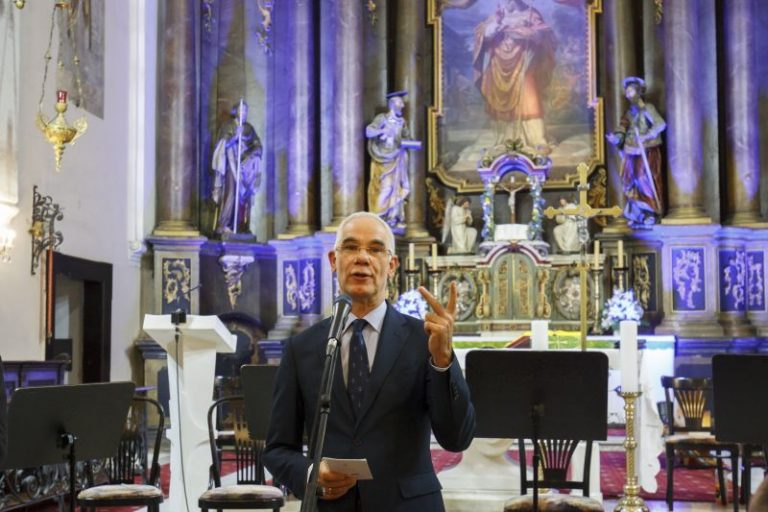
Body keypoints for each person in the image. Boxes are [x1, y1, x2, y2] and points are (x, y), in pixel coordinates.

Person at [264, 211, 476, 512]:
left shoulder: (424, 340)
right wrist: (311, 474)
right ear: (333, 260)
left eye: (375, 249)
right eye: (351, 247)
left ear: (392, 265)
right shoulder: (303, 348)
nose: (362, 258)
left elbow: (457, 438)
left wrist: (443, 361)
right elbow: (278, 449)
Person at [473, 0, 557, 149]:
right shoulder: (497, 15)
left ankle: (536, 138)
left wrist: (531, 34)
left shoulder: (530, 13)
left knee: (529, 98)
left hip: (524, 63)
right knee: (500, 100)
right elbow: (484, 34)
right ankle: (505, 138)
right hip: (498, 64)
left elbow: (545, 34)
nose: (507, 2)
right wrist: (496, 24)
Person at [606, 76, 666, 228]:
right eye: (626, 92)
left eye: (631, 91)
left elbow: (660, 124)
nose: (628, 94)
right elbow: (622, 130)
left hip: (646, 149)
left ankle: (651, 211)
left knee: (642, 178)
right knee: (629, 180)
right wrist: (615, 138)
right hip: (630, 150)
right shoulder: (628, 114)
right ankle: (637, 213)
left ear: (639, 92)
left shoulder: (648, 108)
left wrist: (647, 135)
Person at [211, 100, 263, 235]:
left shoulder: (249, 128)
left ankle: (241, 226)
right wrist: (235, 137)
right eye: (241, 110)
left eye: (246, 111)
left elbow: (258, 145)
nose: (244, 113)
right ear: (236, 111)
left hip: (245, 169)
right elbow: (223, 145)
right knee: (231, 194)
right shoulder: (228, 126)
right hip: (232, 166)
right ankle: (223, 224)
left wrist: (248, 156)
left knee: (243, 198)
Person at [366, 91, 412, 230]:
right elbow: (369, 131)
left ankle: (393, 216)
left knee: (396, 188)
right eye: (400, 103)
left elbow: (407, 138)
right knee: (385, 188)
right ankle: (378, 217)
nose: (402, 105)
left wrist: (408, 142)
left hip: (398, 158)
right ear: (392, 104)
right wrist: (382, 131)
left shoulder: (402, 122)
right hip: (383, 159)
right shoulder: (382, 118)